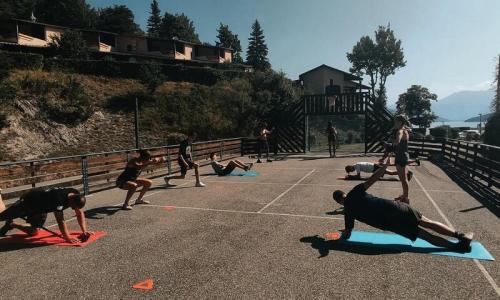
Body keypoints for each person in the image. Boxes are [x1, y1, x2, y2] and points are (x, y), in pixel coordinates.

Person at [332, 159, 474, 252]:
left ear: (339, 202)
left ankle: (456, 247)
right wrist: (384, 167)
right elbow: (373, 179)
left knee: (423, 235)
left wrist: (344, 232)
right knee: (427, 222)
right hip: (394, 207)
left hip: (390, 223)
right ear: (344, 193)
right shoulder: (354, 192)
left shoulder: (348, 211)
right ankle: (461, 236)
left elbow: (348, 234)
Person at [0, 187, 93, 244]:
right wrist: (67, 237)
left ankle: (12, 224)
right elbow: (60, 221)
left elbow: (79, 213)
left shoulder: (75, 194)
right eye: (73, 206)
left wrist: (84, 231)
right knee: (2, 216)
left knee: (33, 232)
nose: (73, 209)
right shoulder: (59, 199)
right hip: (28, 201)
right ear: (72, 200)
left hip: (41, 209)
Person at [393, 115, 411, 203]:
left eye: (395, 121)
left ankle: (406, 198)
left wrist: (393, 143)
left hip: (400, 156)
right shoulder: (405, 130)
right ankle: (404, 195)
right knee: (403, 178)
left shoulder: (400, 131)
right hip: (403, 155)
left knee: (403, 179)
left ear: (400, 122)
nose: (394, 123)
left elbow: (397, 142)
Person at [344, 161, 412, 181]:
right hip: (374, 168)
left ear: (350, 168)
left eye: (350, 171)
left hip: (375, 168)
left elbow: (358, 177)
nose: (352, 172)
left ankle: (407, 173)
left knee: (391, 173)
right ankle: (406, 173)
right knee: (390, 173)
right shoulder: (356, 165)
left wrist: (350, 176)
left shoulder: (357, 166)